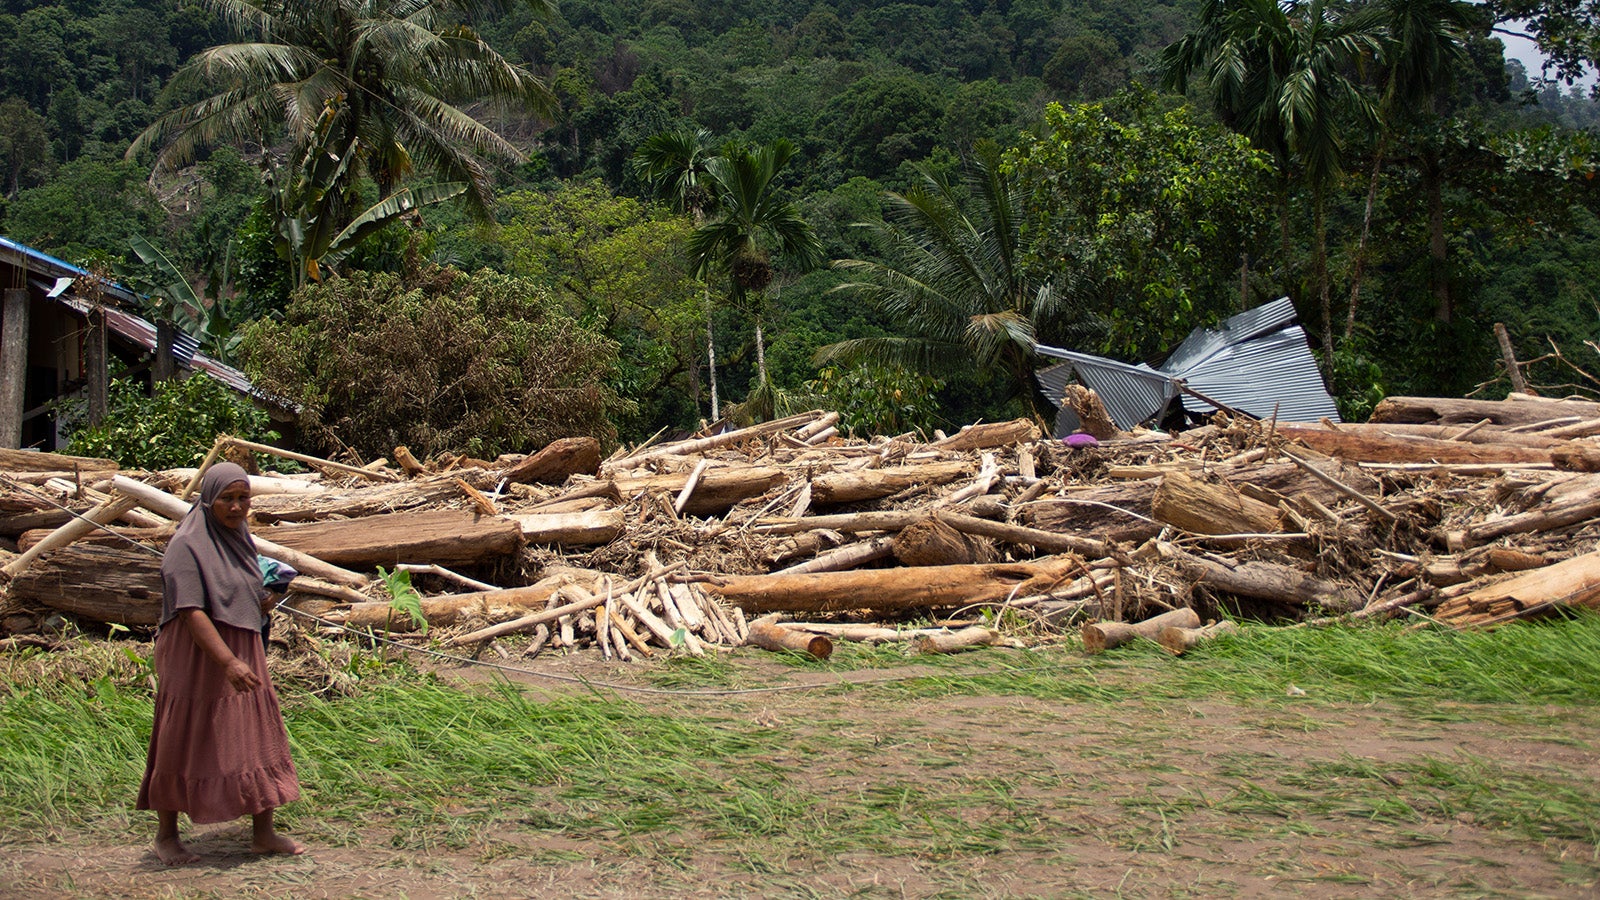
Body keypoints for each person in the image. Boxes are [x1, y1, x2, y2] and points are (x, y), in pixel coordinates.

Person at [136, 462, 305, 865]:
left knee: (255, 734)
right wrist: (227, 662)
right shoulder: (186, 546)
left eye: (243, 497)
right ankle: (166, 837)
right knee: (184, 736)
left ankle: (263, 834)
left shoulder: (238, 537)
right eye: (227, 498)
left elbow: (240, 588)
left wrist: (264, 600)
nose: (236, 506)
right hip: (197, 654)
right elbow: (191, 611)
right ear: (209, 499)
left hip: (242, 647)